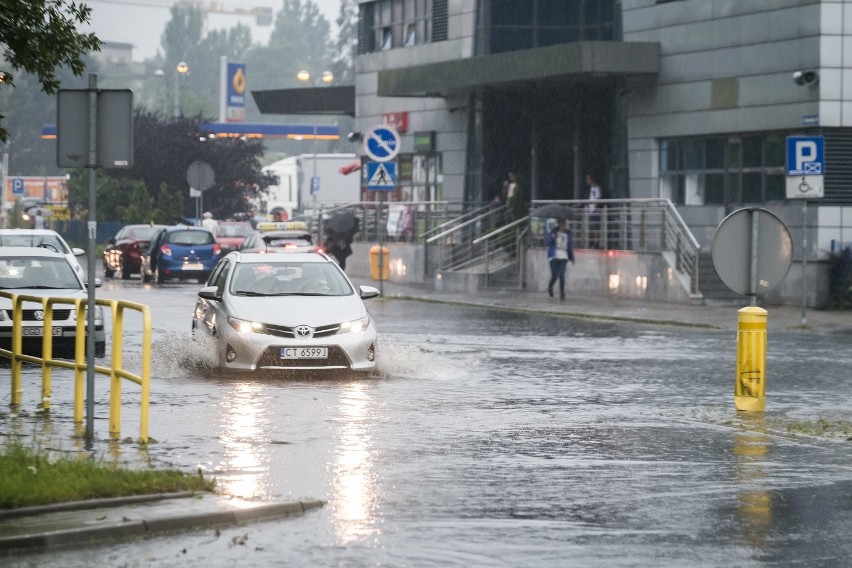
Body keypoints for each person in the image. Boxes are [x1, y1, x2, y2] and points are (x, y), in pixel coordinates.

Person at [546, 217, 575, 301]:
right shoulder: (553, 231)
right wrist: (552, 237)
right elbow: (548, 242)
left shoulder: (568, 233)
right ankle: (550, 286)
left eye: (563, 223)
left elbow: (570, 247)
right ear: (558, 223)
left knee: (562, 275)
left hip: (564, 256)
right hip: (554, 256)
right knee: (554, 275)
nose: (562, 224)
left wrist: (572, 258)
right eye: (560, 222)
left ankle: (562, 293)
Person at [586, 174, 602, 247]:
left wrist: (595, 209)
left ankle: (596, 244)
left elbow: (598, 199)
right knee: (592, 228)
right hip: (591, 211)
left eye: (588, 179)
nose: (587, 181)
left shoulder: (596, 188)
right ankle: (592, 243)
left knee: (595, 228)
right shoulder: (591, 188)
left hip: (594, 212)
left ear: (591, 179)